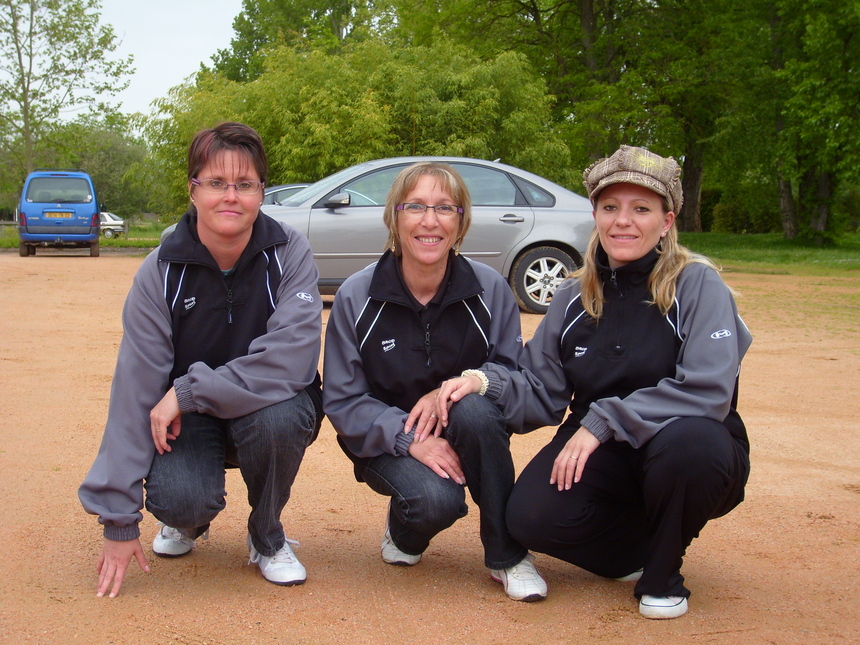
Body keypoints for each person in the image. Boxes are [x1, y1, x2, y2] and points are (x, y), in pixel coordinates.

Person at [436, 145, 751, 619]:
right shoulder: (571, 295)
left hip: (687, 443)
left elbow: (707, 391)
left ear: (666, 221)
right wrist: (485, 382)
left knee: (691, 445)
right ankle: (641, 547)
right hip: (603, 451)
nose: (623, 221)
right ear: (596, 214)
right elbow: (541, 391)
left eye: (641, 209)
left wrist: (603, 421)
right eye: (610, 208)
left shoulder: (697, 285)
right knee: (530, 518)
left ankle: (664, 573)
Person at [79, 122, 323, 597]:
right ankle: (187, 524)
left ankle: (266, 534)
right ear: (193, 190)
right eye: (215, 183)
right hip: (185, 421)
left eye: (245, 185)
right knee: (183, 500)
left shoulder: (289, 252)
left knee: (286, 414)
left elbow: (292, 359)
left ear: (261, 192)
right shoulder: (160, 271)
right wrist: (119, 520)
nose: (230, 197)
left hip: (259, 409)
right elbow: (134, 390)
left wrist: (187, 389)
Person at [322, 161, 547, 602]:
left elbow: (513, 377)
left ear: (460, 223)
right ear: (395, 217)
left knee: (477, 409)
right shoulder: (355, 295)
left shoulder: (490, 290)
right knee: (435, 502)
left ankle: (507, 555)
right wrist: (410, 440)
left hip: (466, 428)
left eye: (445, 208)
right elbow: (344, 400)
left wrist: (464, 382)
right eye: (416, 207)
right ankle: (404, 531)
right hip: (384, 440)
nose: (430, 221)